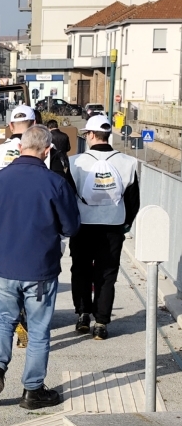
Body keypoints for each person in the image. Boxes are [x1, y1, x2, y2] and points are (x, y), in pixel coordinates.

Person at [0, 125, 81, 410]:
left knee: (3, 321)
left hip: (5, 266)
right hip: (40, 268)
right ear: (47, 151)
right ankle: (33, 390)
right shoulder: (54, 183)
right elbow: (71, 226)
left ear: (21, 147)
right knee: (37, 330)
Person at [69, 113, 139, 339]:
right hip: (113, 225)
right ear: (108, 135)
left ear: (89, 135)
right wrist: (126, 223)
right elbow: (133, 200)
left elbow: (67, 196)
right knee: (107, 274)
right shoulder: (128, 162)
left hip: (82, 225)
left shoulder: (75, 162)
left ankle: (82, 315)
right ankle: (101, 322)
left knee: (80, 270)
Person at [0, 106, 74, 199]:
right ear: (35, 124)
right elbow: (64, 190)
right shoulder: (48, 151)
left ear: (11, 126)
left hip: (1, 212)